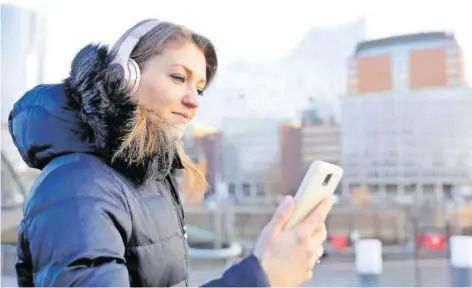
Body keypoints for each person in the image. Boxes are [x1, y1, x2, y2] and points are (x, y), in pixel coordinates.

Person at [8, 19, 333, 287]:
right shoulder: (78, 188)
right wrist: (261, 277)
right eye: (179, 78)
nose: (194, 100)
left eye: (200, 87)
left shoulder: (147, 180)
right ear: (124, 78)